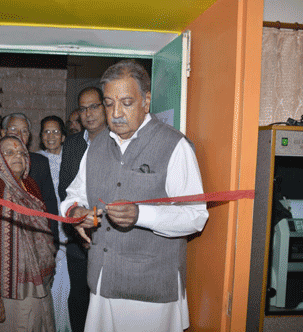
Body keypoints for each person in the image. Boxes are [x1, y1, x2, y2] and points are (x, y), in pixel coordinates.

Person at [60, 60, 209, 332]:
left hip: (152, 292)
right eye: (108, 103)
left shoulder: (174, 145)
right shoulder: (95, 146)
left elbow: (196, 216)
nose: (116, 113)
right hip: (104, 284)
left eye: (126, 102)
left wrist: (142, 215)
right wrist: (75, 213)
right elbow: (73, 195)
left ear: (146, 101)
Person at [0, 135, 56, 331]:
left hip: (37, 282)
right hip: (5, 288)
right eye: (9, 153)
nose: (18, 157)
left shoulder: (31, 186)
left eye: (22, 152)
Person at [58, 86, 107, 332]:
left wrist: (97, 227)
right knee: (79, 298)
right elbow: (65, 188)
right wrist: (78, 223)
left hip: (111, 238)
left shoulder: (119, 139)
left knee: (106, 302)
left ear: (105, 106)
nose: (88, 114)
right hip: (78, 239)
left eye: (94, 106)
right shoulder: (74, 144)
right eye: (83, 108)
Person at [0, 112, 60, 245]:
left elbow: (50, 205)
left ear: (29, 137)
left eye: (24, 131)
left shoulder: (40, 163)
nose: (19, 134)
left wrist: (52, 242)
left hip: (35, 241)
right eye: (13, 129)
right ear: (3, 133)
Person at [36, 115, 72, 332]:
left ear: (63, 136)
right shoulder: (35, 161)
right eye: (46, 132)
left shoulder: (71, 160)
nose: (51, 136)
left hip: (69, 230)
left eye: (56, 132)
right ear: (40, 137)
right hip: (47, 231)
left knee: (67, 289)